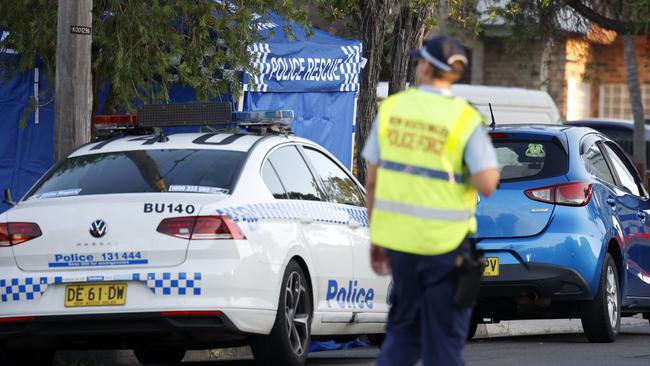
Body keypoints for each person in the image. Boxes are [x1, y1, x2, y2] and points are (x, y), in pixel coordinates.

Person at [363, 36, 500, 366]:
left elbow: (371, 180)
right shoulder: (465, 119)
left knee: (404, 333)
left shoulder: (393, 109)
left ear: (425, 66)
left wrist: (377, 239)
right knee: (444, 343)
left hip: (400, 246)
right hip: (446, 246)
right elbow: (487, 184)